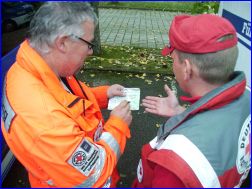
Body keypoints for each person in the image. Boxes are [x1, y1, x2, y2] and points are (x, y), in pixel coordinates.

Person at [1, 2, 132, 188]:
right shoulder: (45, 121)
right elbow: (96, 172)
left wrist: (104, 95)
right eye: (88, 44)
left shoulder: (35, 65)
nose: (91, 51)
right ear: (62, 42)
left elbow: (65, 100)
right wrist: (118, 125)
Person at [132, 14, 250, 188]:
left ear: (187, 69)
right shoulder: (247, 97)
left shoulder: (176, 166)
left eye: (173, 59)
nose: (172, 65)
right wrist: (181, 113)